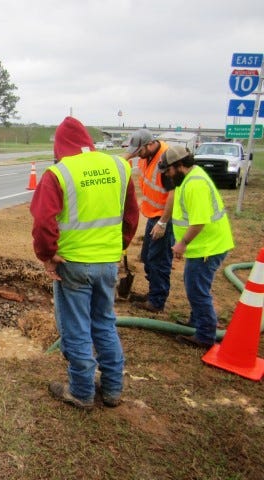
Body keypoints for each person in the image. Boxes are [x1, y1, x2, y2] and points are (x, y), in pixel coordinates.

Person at [30, 117, 139, 409]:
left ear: (59, 146)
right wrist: (116, 248)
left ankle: (81, 391)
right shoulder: (119, 166)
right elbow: (130, 217)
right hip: (107, 262)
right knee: (104, 323)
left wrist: (47, 255)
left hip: (73, 264)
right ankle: (113, 389)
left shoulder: (59, 173)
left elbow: (43, 222)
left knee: (76, 328)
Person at [157, 146, 234, 348]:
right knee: (195, 285)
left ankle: (206, 335)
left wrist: (182, 244)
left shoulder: (195, 185)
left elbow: (199, 221)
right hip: (202, 246)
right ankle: (197, 321)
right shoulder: (187, 178)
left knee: (197, 290)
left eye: (168, 170)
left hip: (208, 247)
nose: (167, 175)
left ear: (179, 165)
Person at [123, 129, 175, 313]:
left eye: (139, 151)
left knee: (158, 260)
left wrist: (163, 222)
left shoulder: (165, 159)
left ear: (150, 144)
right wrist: (131, 153)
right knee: (147, 257)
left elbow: (173, 194)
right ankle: (153, 294)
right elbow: (124, 162)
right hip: (153, 215)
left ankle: (157, 301)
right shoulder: (146, 156)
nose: (138, 155)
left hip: (164, 218)